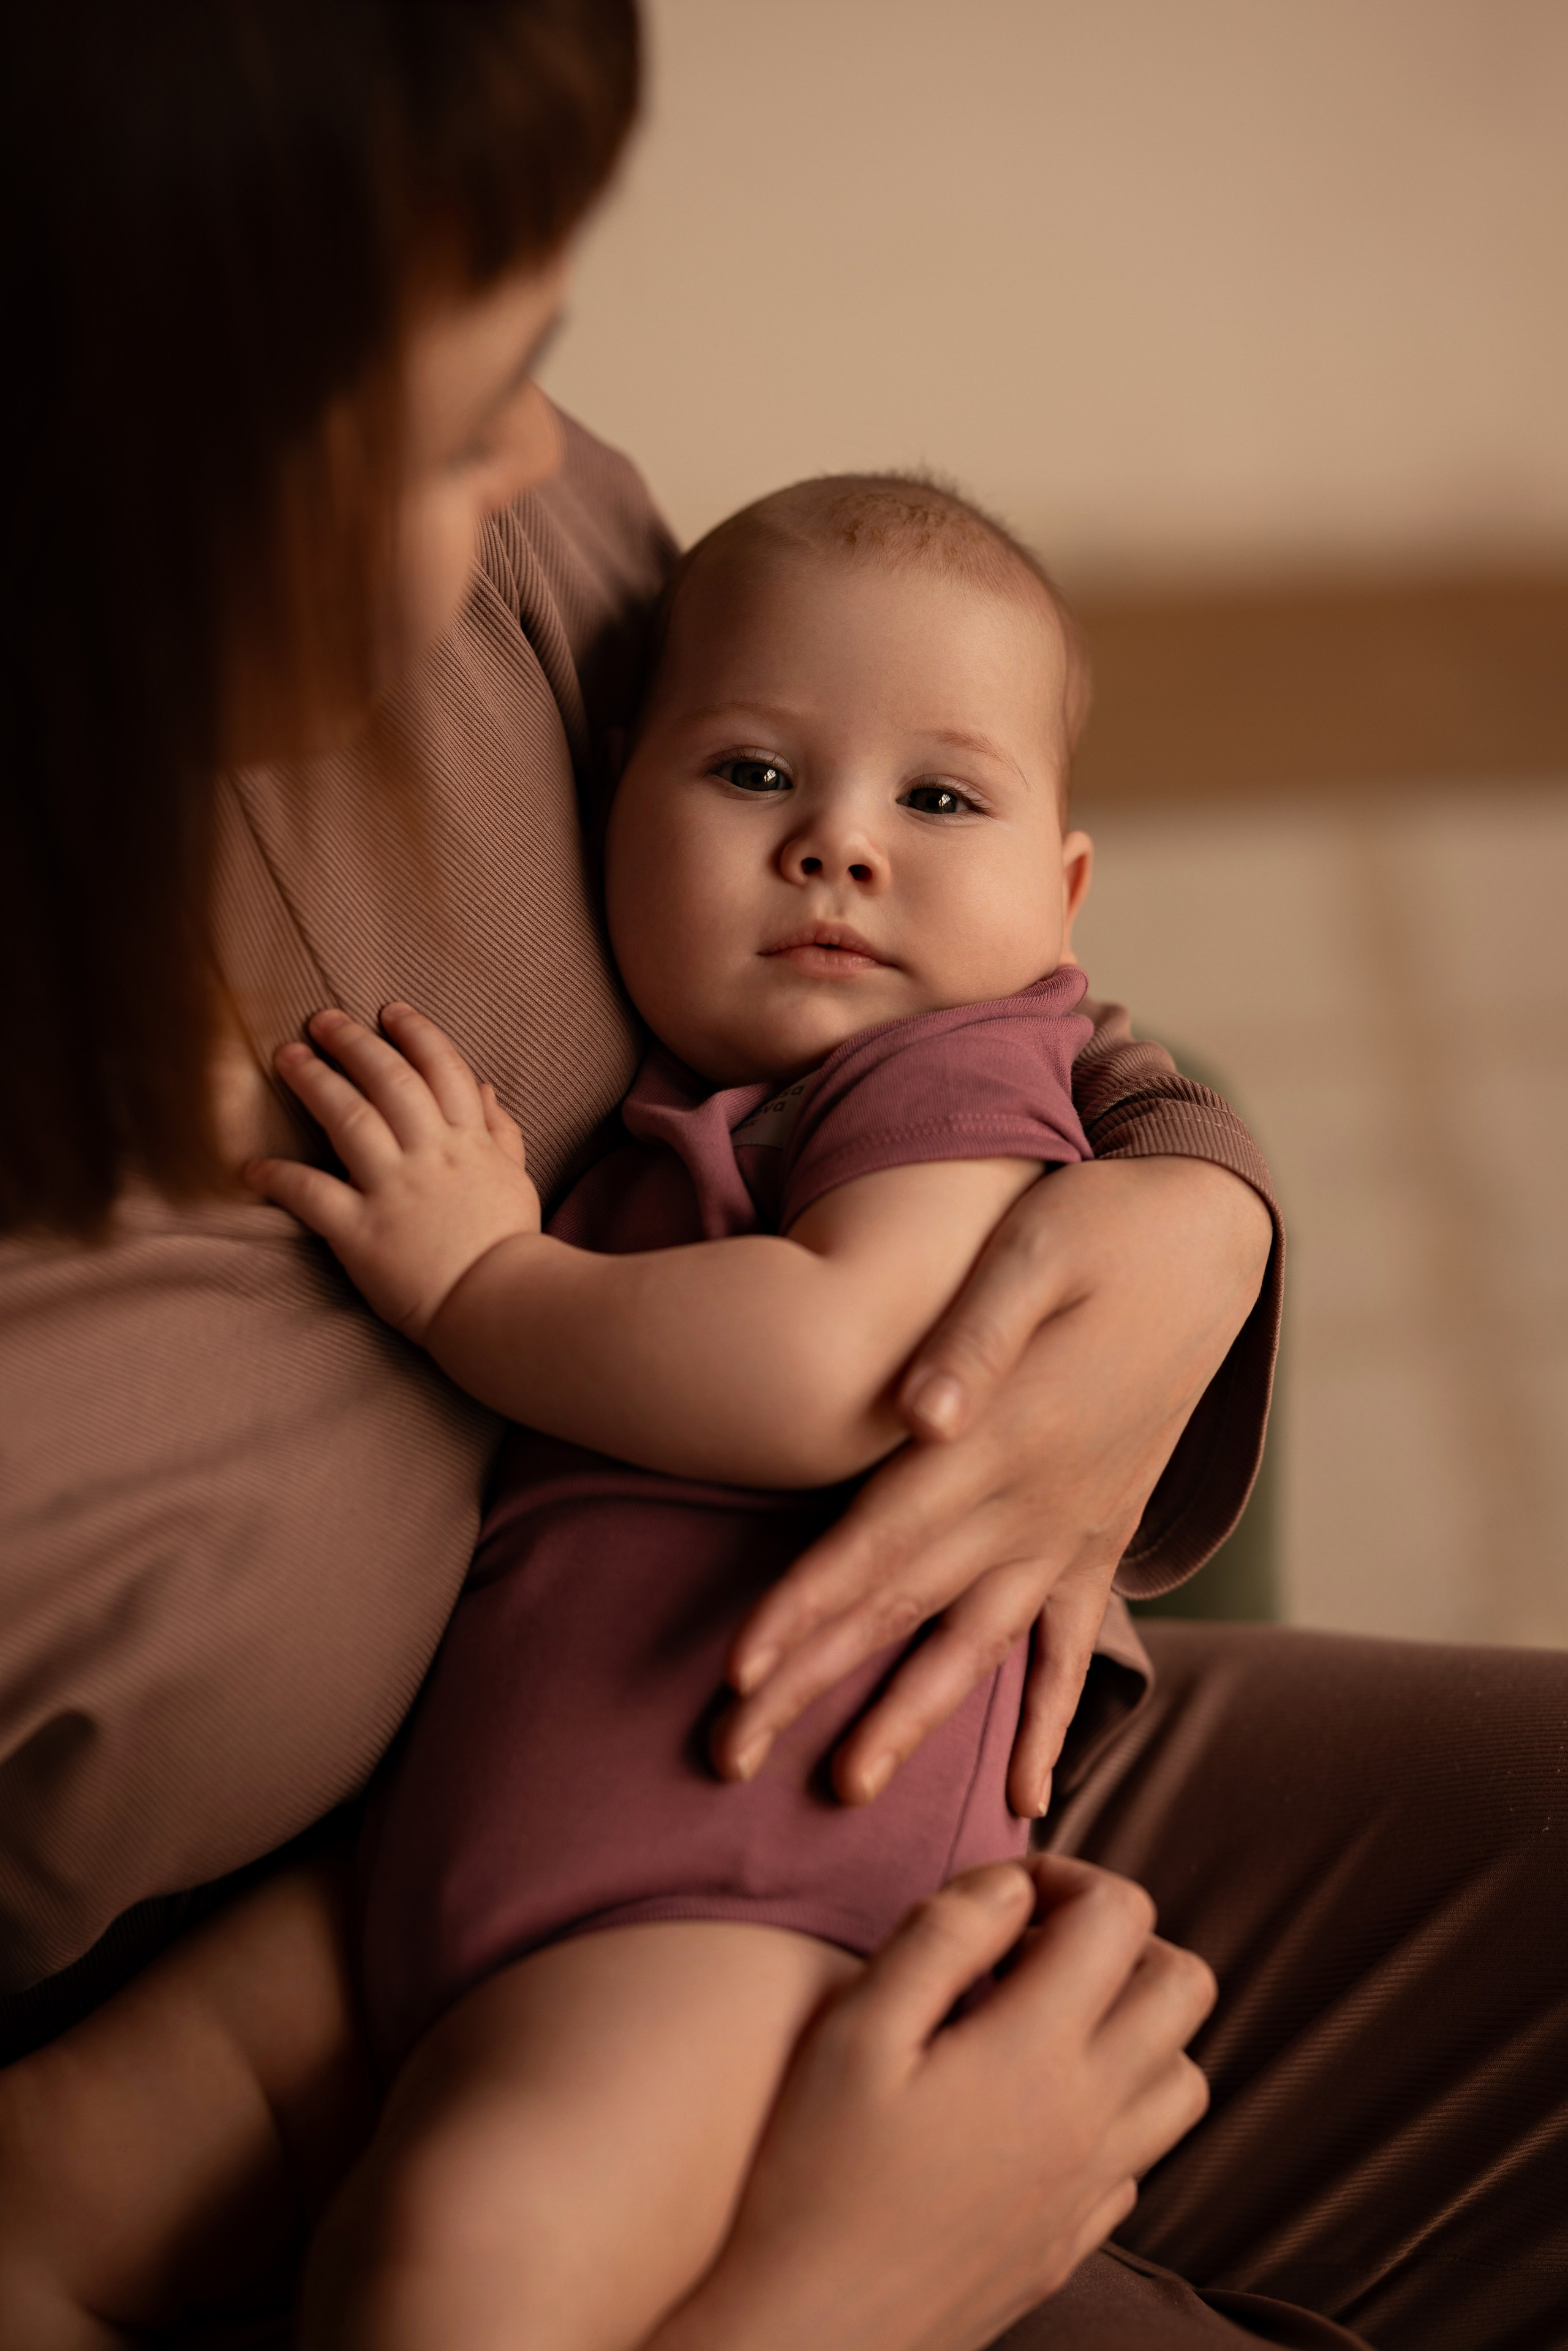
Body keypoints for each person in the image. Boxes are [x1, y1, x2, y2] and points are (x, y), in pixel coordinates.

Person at [3, 9, 1563, 2351]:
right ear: (155, 458)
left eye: (541, 352)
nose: (547, 459)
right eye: (463, 411)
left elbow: (939, 1140)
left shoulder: (526, 590)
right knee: (423, 2258)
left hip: (752, 1806)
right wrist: (835, 2295)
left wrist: (1188, 1210)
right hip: (495, 1896)